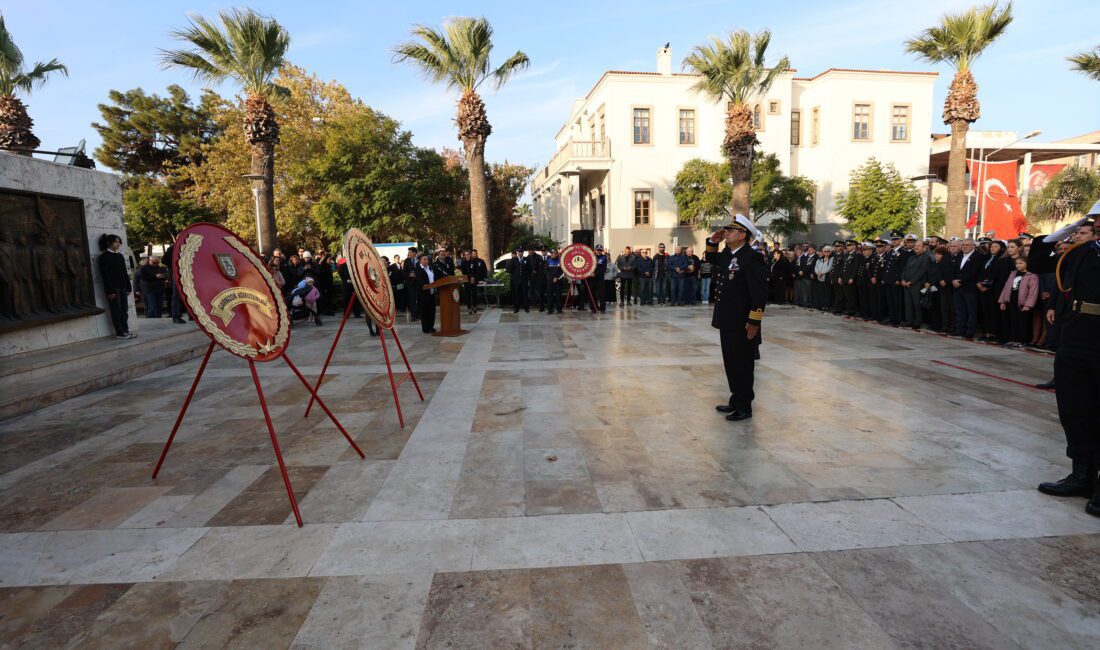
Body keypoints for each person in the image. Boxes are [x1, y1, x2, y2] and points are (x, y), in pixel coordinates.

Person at [1028, 208, 1099, 517]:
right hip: (1076, 334)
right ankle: (1082, 474)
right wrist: (1067, 230)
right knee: (1073, 406)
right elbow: (1039, 260)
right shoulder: (1083, 250)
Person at [705, 215, 768, 421]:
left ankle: (744, 406)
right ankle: (736, 399)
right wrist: (713, 242)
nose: (727, 233)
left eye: (730, 231)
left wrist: (754, 321)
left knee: (742, 364)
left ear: (742, 235)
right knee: (731, 362)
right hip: (728, 320)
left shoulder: (752, 257)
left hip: (743, 323)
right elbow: (711, 259)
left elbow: (759, 293)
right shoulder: (730, 254)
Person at [97, 234, 133, 339]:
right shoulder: (104, 257)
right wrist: (110, 291)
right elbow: (105, 275)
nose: (118, 244)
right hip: (113, 289)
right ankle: (119, 332)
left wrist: (128, 287)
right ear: (109, 243)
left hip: (122, 287)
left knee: (124, 309)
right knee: (116, 310)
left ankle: (125, 330)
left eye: (118, 242)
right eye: (116, 242)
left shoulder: (120, 256)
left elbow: (124, 272)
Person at [998, 255, 1038, 347]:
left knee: (1023, 322)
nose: (1018, 265)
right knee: (1013, 321)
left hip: (1023, 303)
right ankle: (1013, 339)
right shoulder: (1013, 274)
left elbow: (1033, 292)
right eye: (1016, 263)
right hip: (1012, 301)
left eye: (1021, 263)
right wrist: (1003, 301)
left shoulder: (1031, 276)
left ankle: (1022, 340)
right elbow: (1006, 287)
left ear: (1027, 264)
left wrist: (1028, 305)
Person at [950, 238, 985, 340]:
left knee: (971, 311)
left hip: (969, 288)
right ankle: (960, 329)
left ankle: (970, 331)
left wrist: (960, 281)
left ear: (974, 246)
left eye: (968, 245)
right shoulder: (960, 255)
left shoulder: (978, 256)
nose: (965, 247)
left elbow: (974, 272)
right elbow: (953, 269)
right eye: (964, 245)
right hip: (957, 287)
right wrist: (953, 280)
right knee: (959, 310)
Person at [901, 238, 934, 330]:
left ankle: (917, 322)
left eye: (918, 246)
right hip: (906, 284)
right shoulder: (911, 257)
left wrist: (911, 281)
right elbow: (905, 269)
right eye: (915, 246)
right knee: (908, 304)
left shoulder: (926, 257)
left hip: (917, 284)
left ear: (924, 248)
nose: (916, 247)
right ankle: (909, 321)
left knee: (917, 304)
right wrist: (903, 279)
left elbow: (922, 271)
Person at [414, 253, 440, 333]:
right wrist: (425, 285)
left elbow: (434, 278)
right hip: (423, 294)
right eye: (424, 259)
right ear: (420, 260)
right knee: (425, 312)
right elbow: (419, 280)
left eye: (427, 259)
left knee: (432, 311)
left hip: (431, 292)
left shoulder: (430, 268)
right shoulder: (418, 269)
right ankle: (425, 328)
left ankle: (431, 327)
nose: (426, 261)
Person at [462, 248, 488, 315]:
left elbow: (476, 270)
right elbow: (463, 272)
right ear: (464, 256)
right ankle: (469, 308)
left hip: (473, 279)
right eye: (466, 255)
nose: (467, 255)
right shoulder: (463, 263)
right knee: (468, 295)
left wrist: (473, 277)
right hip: (466, 280)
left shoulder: (473, 262)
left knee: (474, 294)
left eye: (468, 254)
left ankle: (474, 306)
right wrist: (467, 278)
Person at [813, 246, 834, 310]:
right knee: (821, 292)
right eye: (825, 251)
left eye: (828, 251)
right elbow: (816, 267)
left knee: (827, 293)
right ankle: (821, 305)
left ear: (830, 252)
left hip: (826, 278)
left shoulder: (832, 258)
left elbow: (830, 267)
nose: (826, 252)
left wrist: (822, 273)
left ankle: (827, 306)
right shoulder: (819, 259)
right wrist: (818, 273)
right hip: (819, 278)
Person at [545, 248, 564, 314]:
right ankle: (550, 310)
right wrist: (551, 278)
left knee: (558, 296)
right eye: (551, 253)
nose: (553, 254)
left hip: (558, 281)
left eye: (554, 253)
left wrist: (557, 278)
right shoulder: (548, 261)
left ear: (557, 254)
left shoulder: (560, 261)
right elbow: (546, 271)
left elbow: (562, 272)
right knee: (550, 296)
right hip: (550, 282)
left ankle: (559, 310)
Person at [403, 248, 420, 320]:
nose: (409, 253)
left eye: (410, 252)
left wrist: (416, 274)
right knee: (412, 299)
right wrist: (409, 275)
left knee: (419, 299)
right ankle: (413, 315)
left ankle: (419, 314)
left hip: (418, 282)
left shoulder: (419, 260)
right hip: (410, 283)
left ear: (414, 253)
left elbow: (422, 270)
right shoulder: (407, 261)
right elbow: (404, 272)